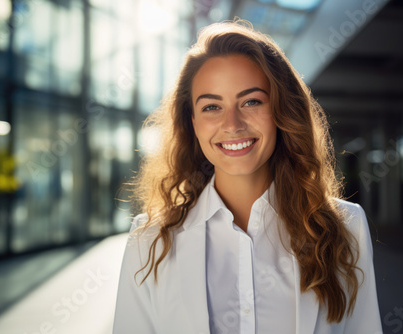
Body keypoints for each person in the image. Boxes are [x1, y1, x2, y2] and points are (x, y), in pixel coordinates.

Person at [113, 19, 382, 334]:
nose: (233, 124)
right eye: (212, 107)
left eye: (251, 101)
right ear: (193, 122)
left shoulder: (345, 226)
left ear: (282, 110)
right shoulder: (148, 241)